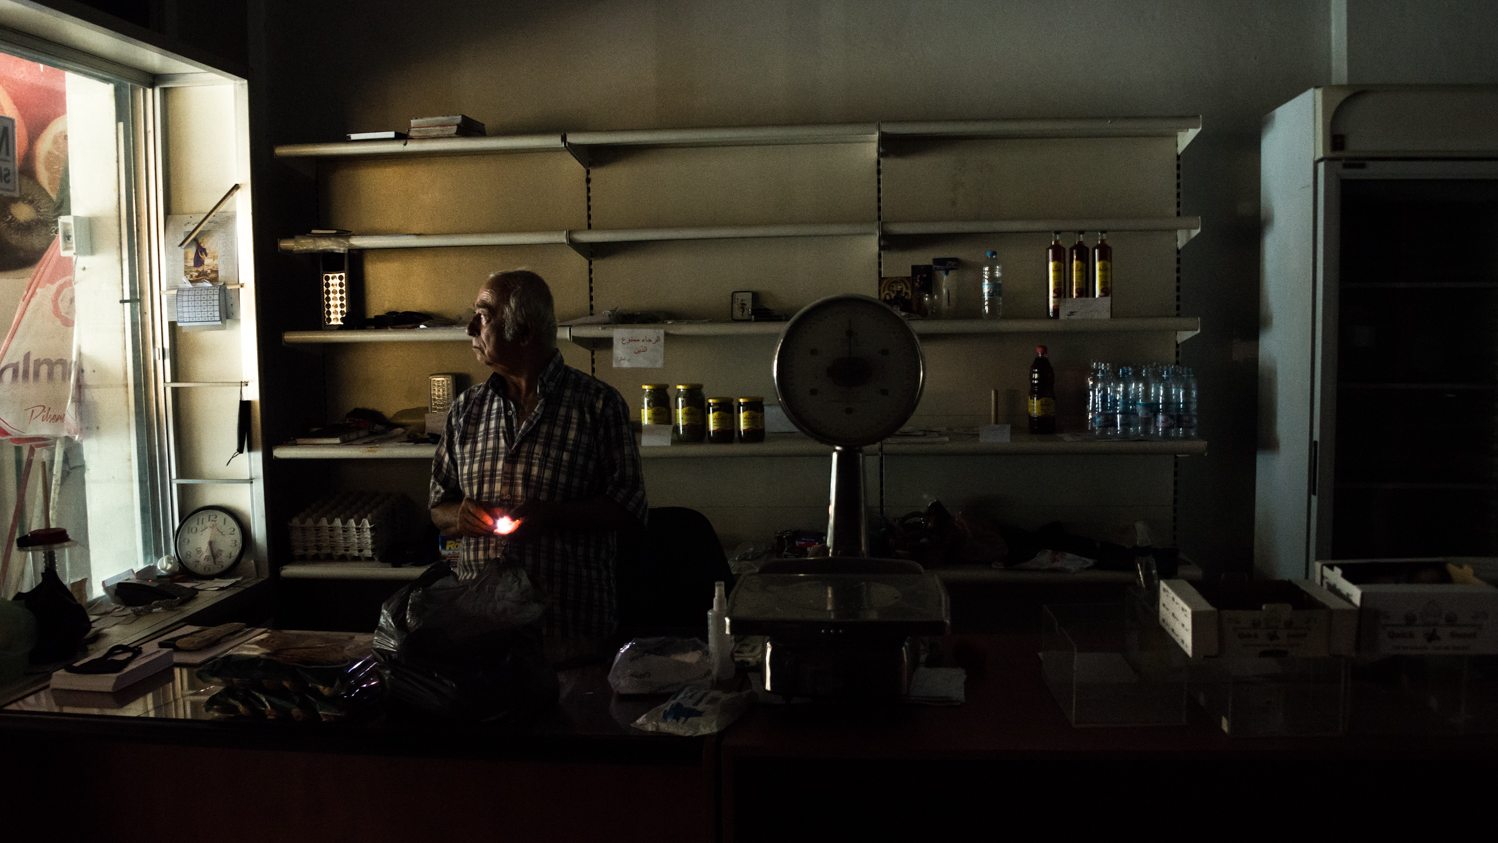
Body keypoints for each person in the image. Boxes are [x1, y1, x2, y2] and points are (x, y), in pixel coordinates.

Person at [430, 269, 647, 655]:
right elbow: (437, 507)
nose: (469, 329)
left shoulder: (597, 405)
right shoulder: (466, 409)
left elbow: (630, 510)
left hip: (569, 628)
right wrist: (458, 516)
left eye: (482, 316)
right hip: (481, 631)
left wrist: (553, 515)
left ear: (524, 333)